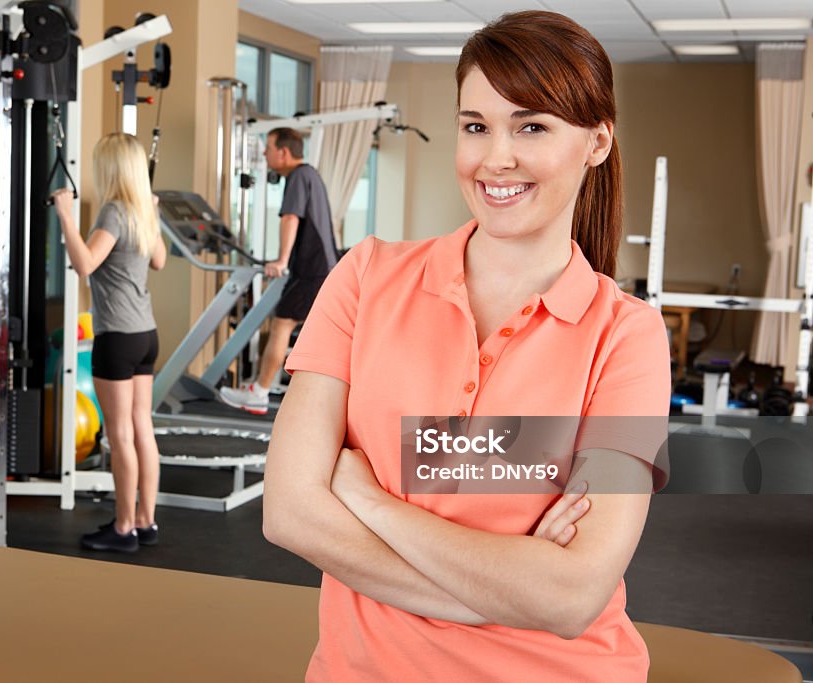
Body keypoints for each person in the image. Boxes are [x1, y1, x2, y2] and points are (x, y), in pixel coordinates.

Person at [263, 11, 670, 682]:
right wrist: (504, 591)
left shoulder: (627, 336)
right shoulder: (365, 277)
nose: (495, 158)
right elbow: (290, 512)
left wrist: (366, 500)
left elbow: (572, 595)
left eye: (531, 126)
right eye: (476, 126)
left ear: (596, 142)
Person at [51, 133, 167, 553]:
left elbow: (84, 264)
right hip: (145, 335)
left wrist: (65, 214)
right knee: (141, 429)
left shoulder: (115, 212)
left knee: (119, 433)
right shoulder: (141, 211)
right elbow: (159, 259)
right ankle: (145, 520)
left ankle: (123, 529)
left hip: (117, 336)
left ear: (111, 168)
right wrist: (153, 215)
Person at [219, 127, 338, 415]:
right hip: (323, 268)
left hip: (311, 271)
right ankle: (316, 401)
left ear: (283, 152)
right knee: (312, 333)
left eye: (268, 147)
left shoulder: (297, 177)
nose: (264, 153)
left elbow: (290, 218)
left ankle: (259, 393)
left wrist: (282, 260)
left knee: (282, 325)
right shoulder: (310, 174)